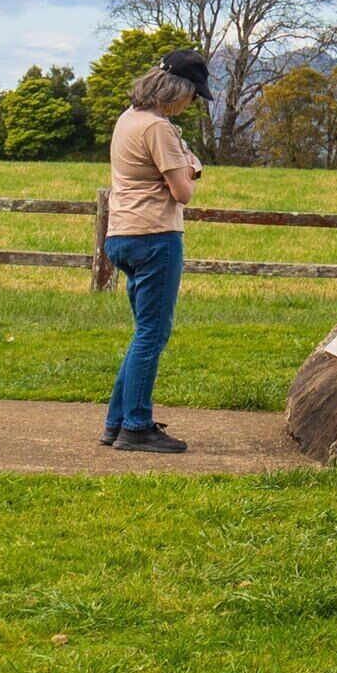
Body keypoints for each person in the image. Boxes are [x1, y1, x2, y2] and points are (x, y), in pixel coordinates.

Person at [100, 51, 211, 453]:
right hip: (156, 235)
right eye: (193, 96)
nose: (192, 104)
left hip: (122, 235)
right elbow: (182, 192)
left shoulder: (128, 118)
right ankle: (137, 426)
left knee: (143, 333)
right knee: (153, 332)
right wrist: (188, 163)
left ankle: (116, 422)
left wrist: (184, 162)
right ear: (176, 91)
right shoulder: (160, 129)